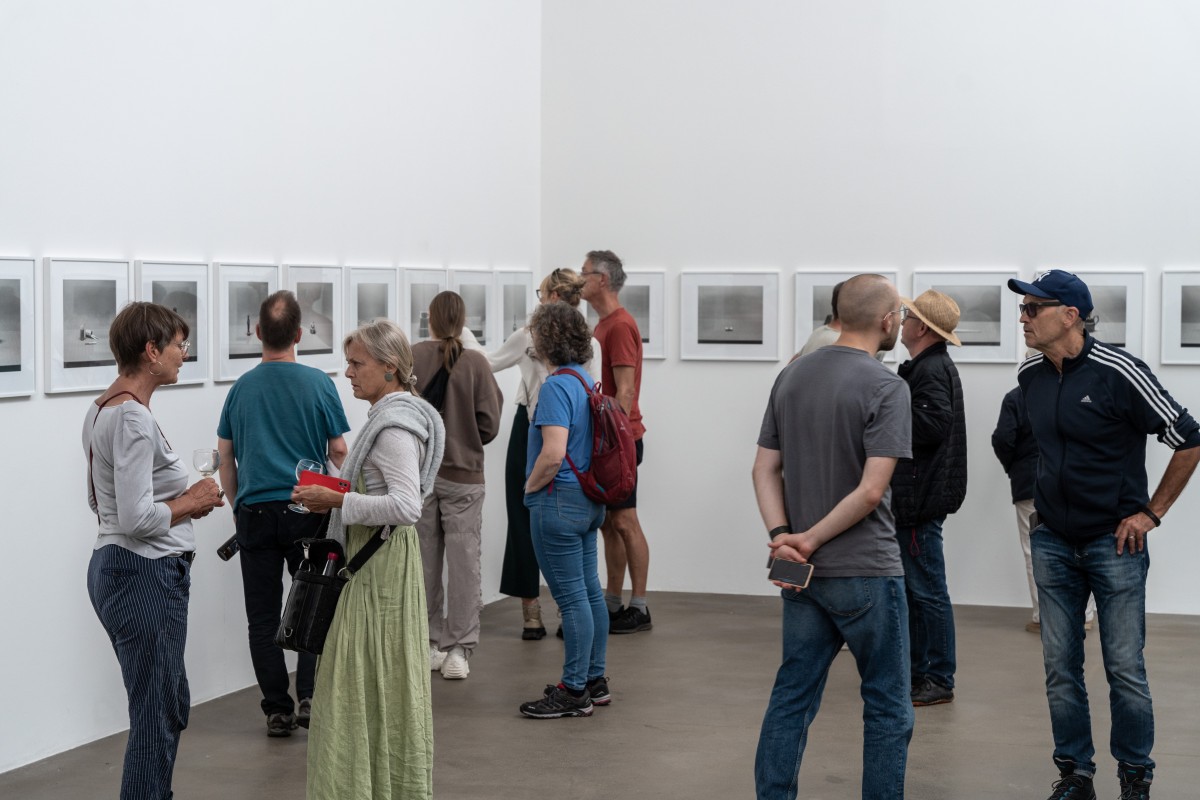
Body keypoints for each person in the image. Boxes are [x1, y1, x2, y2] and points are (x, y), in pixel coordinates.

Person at [1009, 270, 1200, 800]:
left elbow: (1189, 439)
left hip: (1114, 544)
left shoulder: (1119, 371)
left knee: (1124, 668)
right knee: (1059, 669)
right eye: (1022, 309)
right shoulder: (1031, 377)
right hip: (1051, 541)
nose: (1021, 318)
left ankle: (1134, 776)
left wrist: (1150, 513)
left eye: (1032, 309)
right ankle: (1076, 775)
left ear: (1068, 315)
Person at [752, 274, 913, 799]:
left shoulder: (791, 376)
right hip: (867, 570)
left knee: (792, 697)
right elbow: (871, 493)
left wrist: (785, 537)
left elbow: (763, 469)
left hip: (804, 576)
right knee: (888, 706)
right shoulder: (888, 386)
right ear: (888, 321)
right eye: (900, 316)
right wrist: (809, 539)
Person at [290, 319, 444, 800]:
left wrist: (336, 502)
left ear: (390, 367)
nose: (349, 372)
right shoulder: (395, 414)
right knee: (378, 681)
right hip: (377, 563)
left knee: (356, 683)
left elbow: (406, 506)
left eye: (357, 363)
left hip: (375, 570)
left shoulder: (395, 427)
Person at [84, 302, 225, 799]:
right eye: (178, 346)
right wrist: (193, 500)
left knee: (162, 704)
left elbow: (101, 502)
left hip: (121, 567)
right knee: (156, 714)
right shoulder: (133, 420)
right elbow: (136, 518)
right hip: (141, 573)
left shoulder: (103, 407)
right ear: (150, 351)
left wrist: (180, 506)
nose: (183, 356)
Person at [216, 290, 350, 737]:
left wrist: (237, 508)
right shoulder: (319, 384)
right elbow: (338, 451)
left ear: (258, 333)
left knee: (263, 617)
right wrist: (343, 498)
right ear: (298, 334)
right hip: (307, 508)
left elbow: (225, 457)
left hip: (255, 512)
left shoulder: (241, 389)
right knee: (311, 605)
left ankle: (277, 708)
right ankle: (310, 695)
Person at [484, 268, 601, 640]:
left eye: (541, 292)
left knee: (525, 515)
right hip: (578, 430)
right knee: (573, 523)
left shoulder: (529, 335)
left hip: (537, 426)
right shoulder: (589, 340)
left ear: (551, 297)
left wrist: (460, 341)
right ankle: (572, 616)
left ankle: (532, 614)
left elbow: (487, 363)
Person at [518, 301, 609, 718]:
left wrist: (529, 488)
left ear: (547, 338)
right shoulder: (586, 380)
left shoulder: (556, 386)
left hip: (558, 501)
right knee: (590, 594)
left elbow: (552, 454)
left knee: (571, 601)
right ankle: (594, 680)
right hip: (588, 501)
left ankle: (573, 691)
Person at [413, 291, 504, 679]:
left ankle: (429, 642)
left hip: (421, 475)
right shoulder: (476, 363)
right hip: (464, 476)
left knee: (423, 561)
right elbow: (491, 424)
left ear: (430, 319)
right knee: (465, 564)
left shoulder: (412, 356)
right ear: (463, 321)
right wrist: (465, 439)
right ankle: (459, 651)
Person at [891, 289, 968, 707]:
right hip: (920, 494)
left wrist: (888, 406)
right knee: (920, 590)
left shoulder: (931, 369)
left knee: (927, 591)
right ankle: (924, 673)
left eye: (907, 316)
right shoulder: (927, 366)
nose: (902, 321)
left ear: (921, 327)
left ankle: (937, 676)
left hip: (919, 498)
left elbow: (932, 426)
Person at [580, 249, 653, 633]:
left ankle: (638, 607)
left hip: (619, 441)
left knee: (625, 521)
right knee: (610, 522)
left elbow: (624, 391)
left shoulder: (620, 326)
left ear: (602, 280)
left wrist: (614, 444)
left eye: (584, 272)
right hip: (610, 441)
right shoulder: (604, 324)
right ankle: (612, 601)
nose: (580, 279)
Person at [991, 384, 1096, 634]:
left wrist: (1016, 468)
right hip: (1076, 483)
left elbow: (1003, 439)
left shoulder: (1017, 396)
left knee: (1034, 550)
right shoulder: (1079, 392)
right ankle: (1084, 614)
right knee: (1082, 544)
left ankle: (1044, 616)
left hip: (1031, 484)